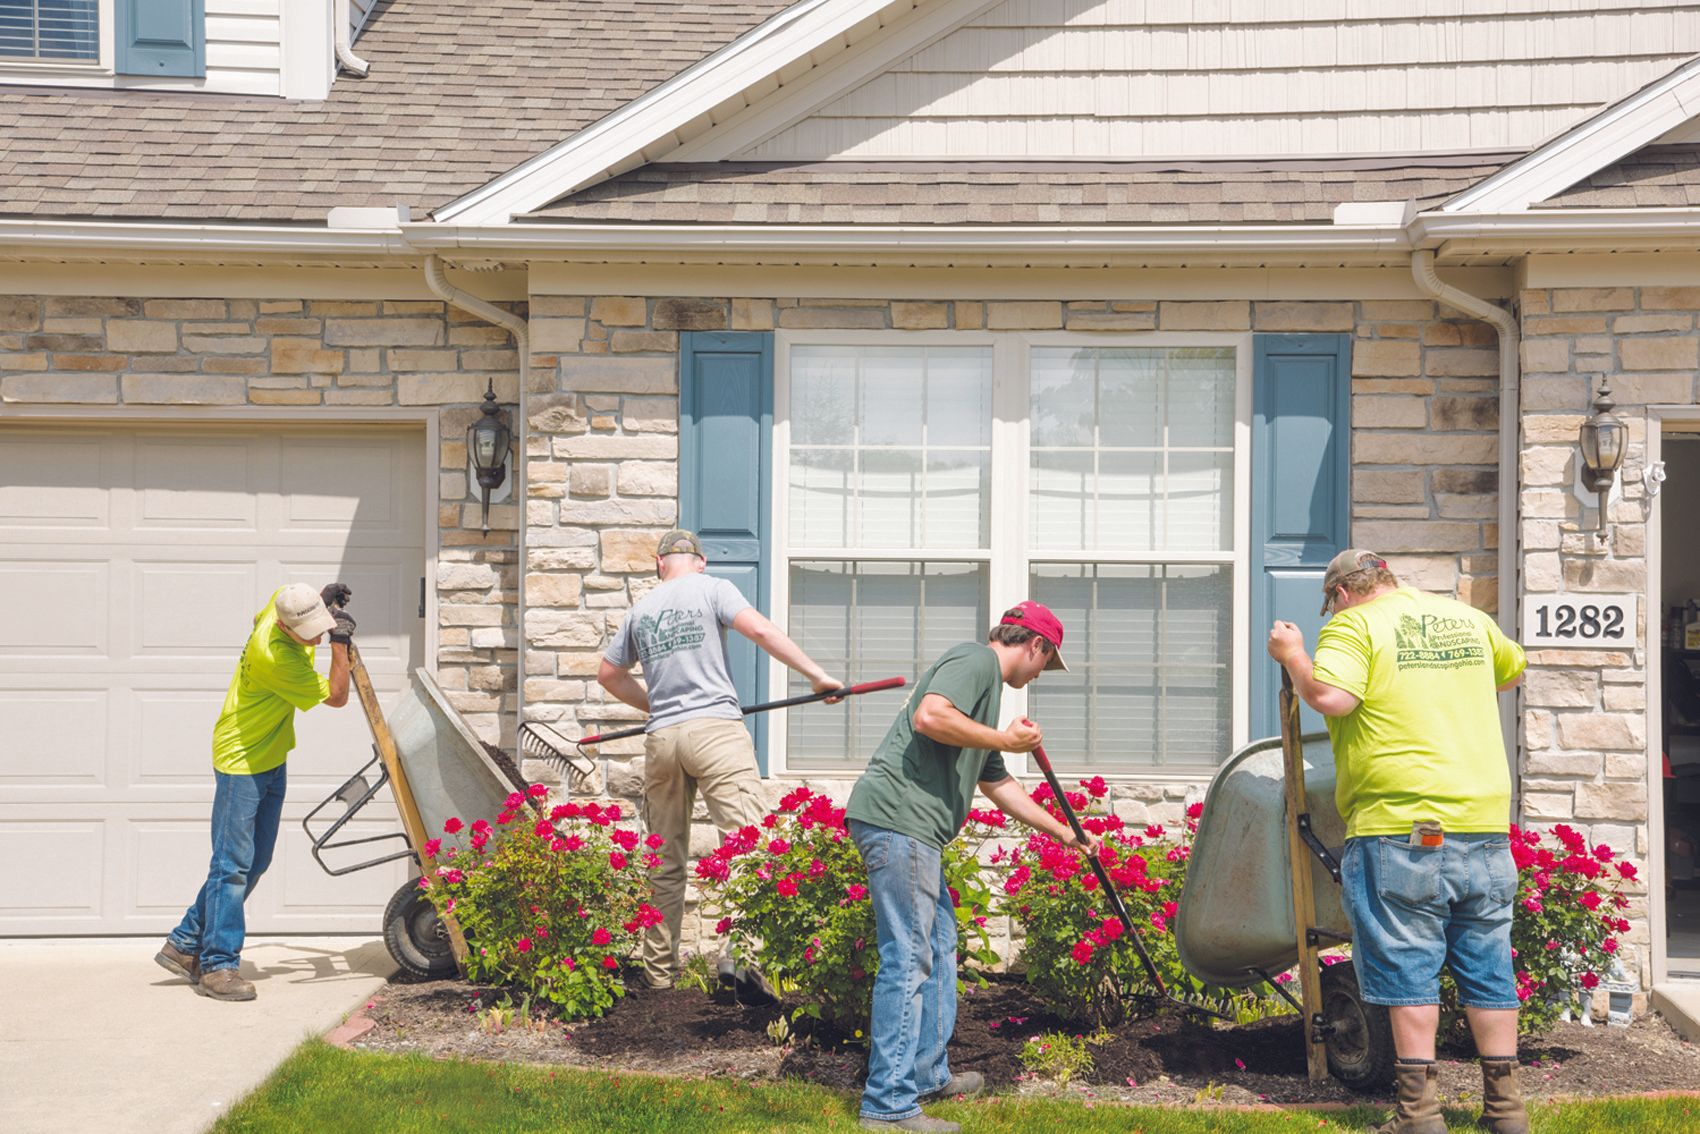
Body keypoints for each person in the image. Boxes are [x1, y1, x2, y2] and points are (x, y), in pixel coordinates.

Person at [1267, 550, 1528, 1134]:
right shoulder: (1465, 617)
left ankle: (1419, 1115)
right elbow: (1510, 673)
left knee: (1409, 969)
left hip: (1401, 828)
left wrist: (1294, 656)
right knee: (1488, 967)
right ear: (1387, 578)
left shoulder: (1353, 625)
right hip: (1484, 825)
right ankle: (1507, 1113)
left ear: (1340, 594)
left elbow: (1332, 697)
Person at [847, 602, 1101, 1134]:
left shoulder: (981, 705)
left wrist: (1064, 833)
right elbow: (929, 716)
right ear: (1036, 645)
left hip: (915, 831)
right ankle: (888, 1107)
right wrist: (1007, 739)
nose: (1037, 676)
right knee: (909, 958)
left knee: (938, 948)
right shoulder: (975, 661)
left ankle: (924, 1075)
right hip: (901, 822)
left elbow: (999, 783)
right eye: (1044, 664)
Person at [598, 529, 843, 992]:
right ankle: (743, 959)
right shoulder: (713, 589)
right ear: (701, 561)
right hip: (715, 732)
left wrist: (660, 706)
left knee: (665, 860)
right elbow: (760, 630)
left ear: (659, 563)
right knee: (747, 847)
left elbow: (609, 675)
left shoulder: (640, 610)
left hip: (662, 740)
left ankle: (659, 978)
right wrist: (816, 675)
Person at [155, 582, 355, 1001]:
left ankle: (184, 942)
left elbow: (259, 617)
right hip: (242, 762)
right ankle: (218, 966)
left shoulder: (278, 606)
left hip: (271, 754)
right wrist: (340, 642)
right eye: (313, 630)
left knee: (255, 860)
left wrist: (319, 601)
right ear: (286, 629)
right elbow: (337, 696)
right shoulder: (274, 657)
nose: (318, 635)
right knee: (231, 866)